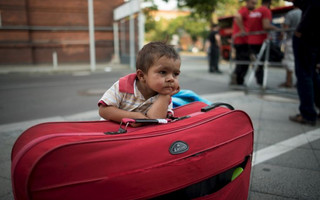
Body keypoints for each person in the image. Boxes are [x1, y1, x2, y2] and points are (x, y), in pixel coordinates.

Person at [98, 41, 181, 124]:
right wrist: (133, 117)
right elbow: (104, 110)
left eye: (175, 74)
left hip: (137, 135)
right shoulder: (123, 86)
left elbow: (155, 120)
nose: (171, 79)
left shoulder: (165, 97)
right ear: (141, 75)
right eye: (163, 72)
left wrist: (165, 96)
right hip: (111, 132)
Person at [289, 0, 320, 125]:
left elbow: (315, 5)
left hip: (307, 36)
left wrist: (301, 29)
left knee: (304, 75)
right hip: (315, 36)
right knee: (312, 74)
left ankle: (307, 114)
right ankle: (310, 111)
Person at [247, 0, 278, 86]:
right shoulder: (265, 11)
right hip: (261, 40)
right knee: (276, 55)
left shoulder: (254, 12)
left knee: (257, 62)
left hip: (251, 40)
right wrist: (278, 30)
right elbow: (266, 26)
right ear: (269, 3)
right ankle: (261, 83)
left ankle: (260, 81)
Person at [230, 0, 257, 85]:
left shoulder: (247, 12)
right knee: (243, 61)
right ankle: (238, 80)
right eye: (253, 3)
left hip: (242, 41)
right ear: (247, 2)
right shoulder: (244, 10)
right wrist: (242, 30)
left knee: (243, 61)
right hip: (241, 41)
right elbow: (238, 17)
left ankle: (238, 80)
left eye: (255, 3)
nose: (254, 5)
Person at [279, 4, 301, 88]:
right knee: (301, 62)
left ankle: (289, 82)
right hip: (304, 41)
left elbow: (285, 29)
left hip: (291, 40)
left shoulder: (291, 14)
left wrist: (281, 36)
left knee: (289, 62)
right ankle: (300, 82)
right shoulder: (305, 12)